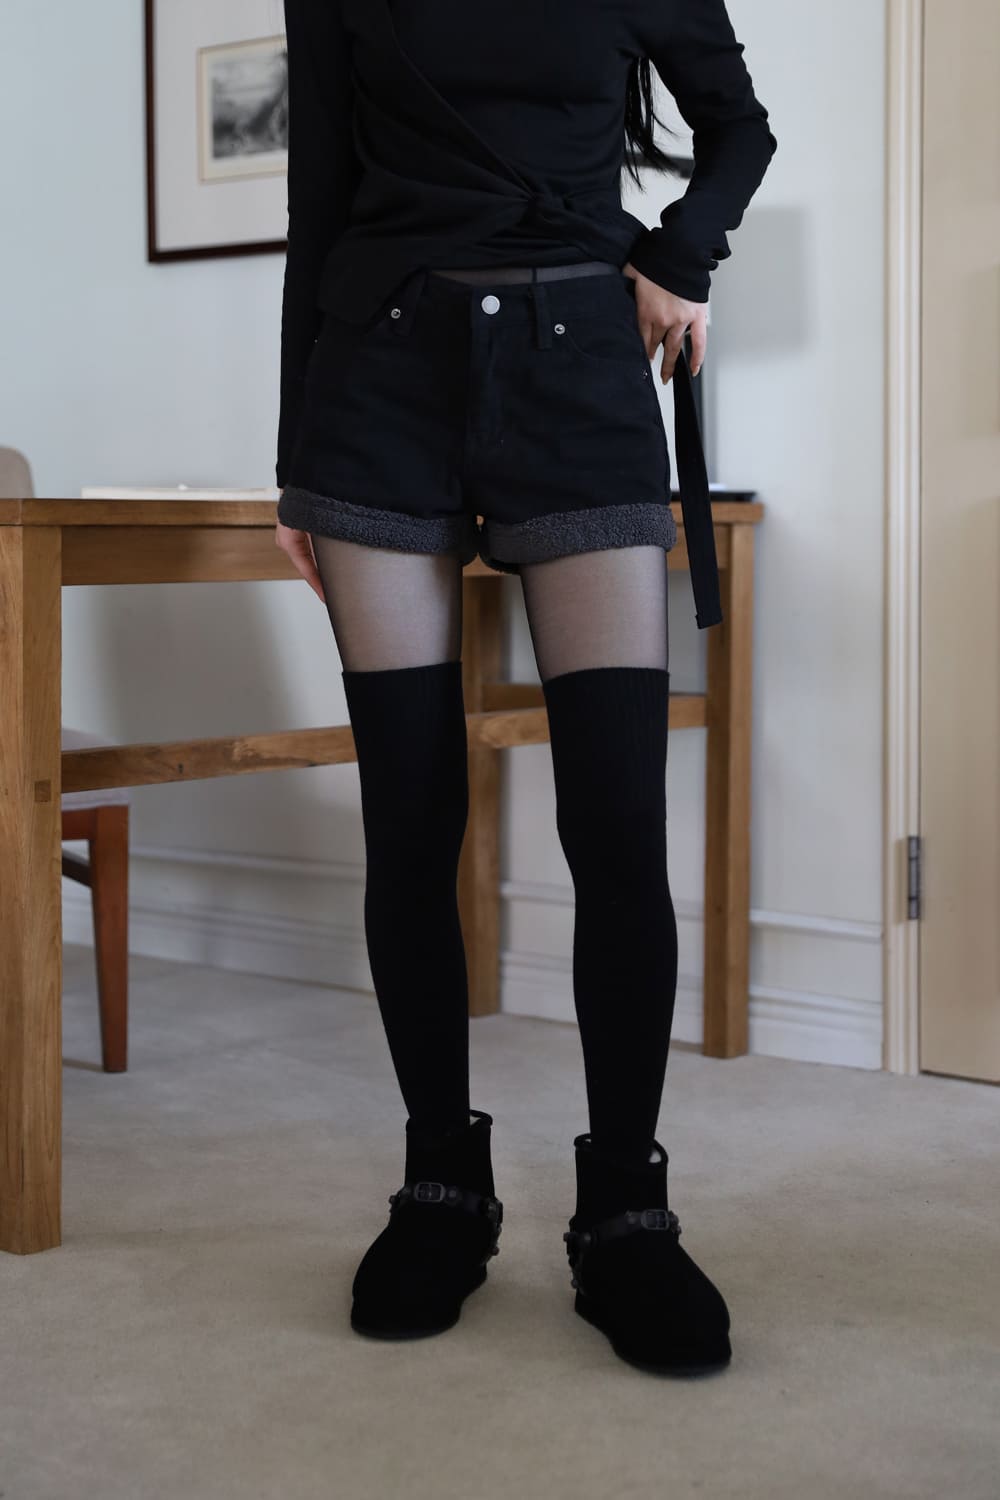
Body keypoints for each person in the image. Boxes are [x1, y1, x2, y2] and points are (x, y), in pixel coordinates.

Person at [274, 0, 777, 1375]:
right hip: (377, 384)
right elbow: (320, 202)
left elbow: (738, 129)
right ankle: (442, 1183)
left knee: (616, 823)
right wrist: (296, 460)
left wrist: (681, 251)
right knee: (411, 819)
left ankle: (625, 1211)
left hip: (580, 380)